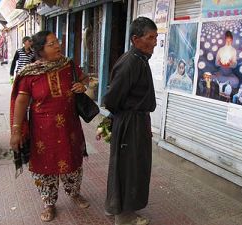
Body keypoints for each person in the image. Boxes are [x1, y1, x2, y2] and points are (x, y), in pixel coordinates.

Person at [9, 31, 90, 222]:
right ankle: (49, 203)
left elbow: (84, 78)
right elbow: (20, 102)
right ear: (40, 50)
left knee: (72, 161)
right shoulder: (30, 74)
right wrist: (16, 130)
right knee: (45, 167)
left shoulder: (67, 64)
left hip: (69, 127)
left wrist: (82, 86)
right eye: (52, 44)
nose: (58, 46)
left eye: (57, 42)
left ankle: (75, 193)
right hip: (43, 131)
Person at [104, 17, 157, 225]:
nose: (154, 42)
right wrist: (125, 118)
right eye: (150, 37)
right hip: (130, 124)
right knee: (128, 169)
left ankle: (115, 208)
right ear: (136, 39)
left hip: (135, 121)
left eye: (156, 37)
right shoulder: (130, 63)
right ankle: (124, 217)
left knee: (130, 166)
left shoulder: (140, 60)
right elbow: (111, 100)